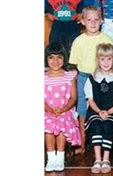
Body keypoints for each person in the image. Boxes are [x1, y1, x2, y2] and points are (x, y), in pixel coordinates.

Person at [69, 6, 113, 156]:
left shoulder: (106, 39)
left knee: (102, 110)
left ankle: (104, 146)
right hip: (84, 78)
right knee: (82, 112)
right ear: (82, 21)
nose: (93, 23)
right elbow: (75, 64)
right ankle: (82, 144)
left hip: (102, 79)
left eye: (96, 19)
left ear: (102, 20)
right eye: (89, 20)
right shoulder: (78, 41)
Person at [84, 43, 113, 174]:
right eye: (102, 59)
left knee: (108, 125)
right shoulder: (92, 78)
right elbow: (90, 100)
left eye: (109, 58)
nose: (106, 62)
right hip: (96, 111)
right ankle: (97, 159)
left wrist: (108, 112)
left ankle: (106, 159)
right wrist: (99, 111)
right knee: (96, 124)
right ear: (98, 60)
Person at [44, 42, 81, 172]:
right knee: (47, 125)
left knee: (61, 123)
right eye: (51, 57)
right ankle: (51, 158)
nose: (55, 61)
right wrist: (49, 110)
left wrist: (63, 109)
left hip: (66, 110)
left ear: (64, 58)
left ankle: (59, 157)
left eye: (59, 57)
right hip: (47, 111)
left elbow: (73, 97)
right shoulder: (42, 77)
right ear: (46, 59)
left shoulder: (69, 75)